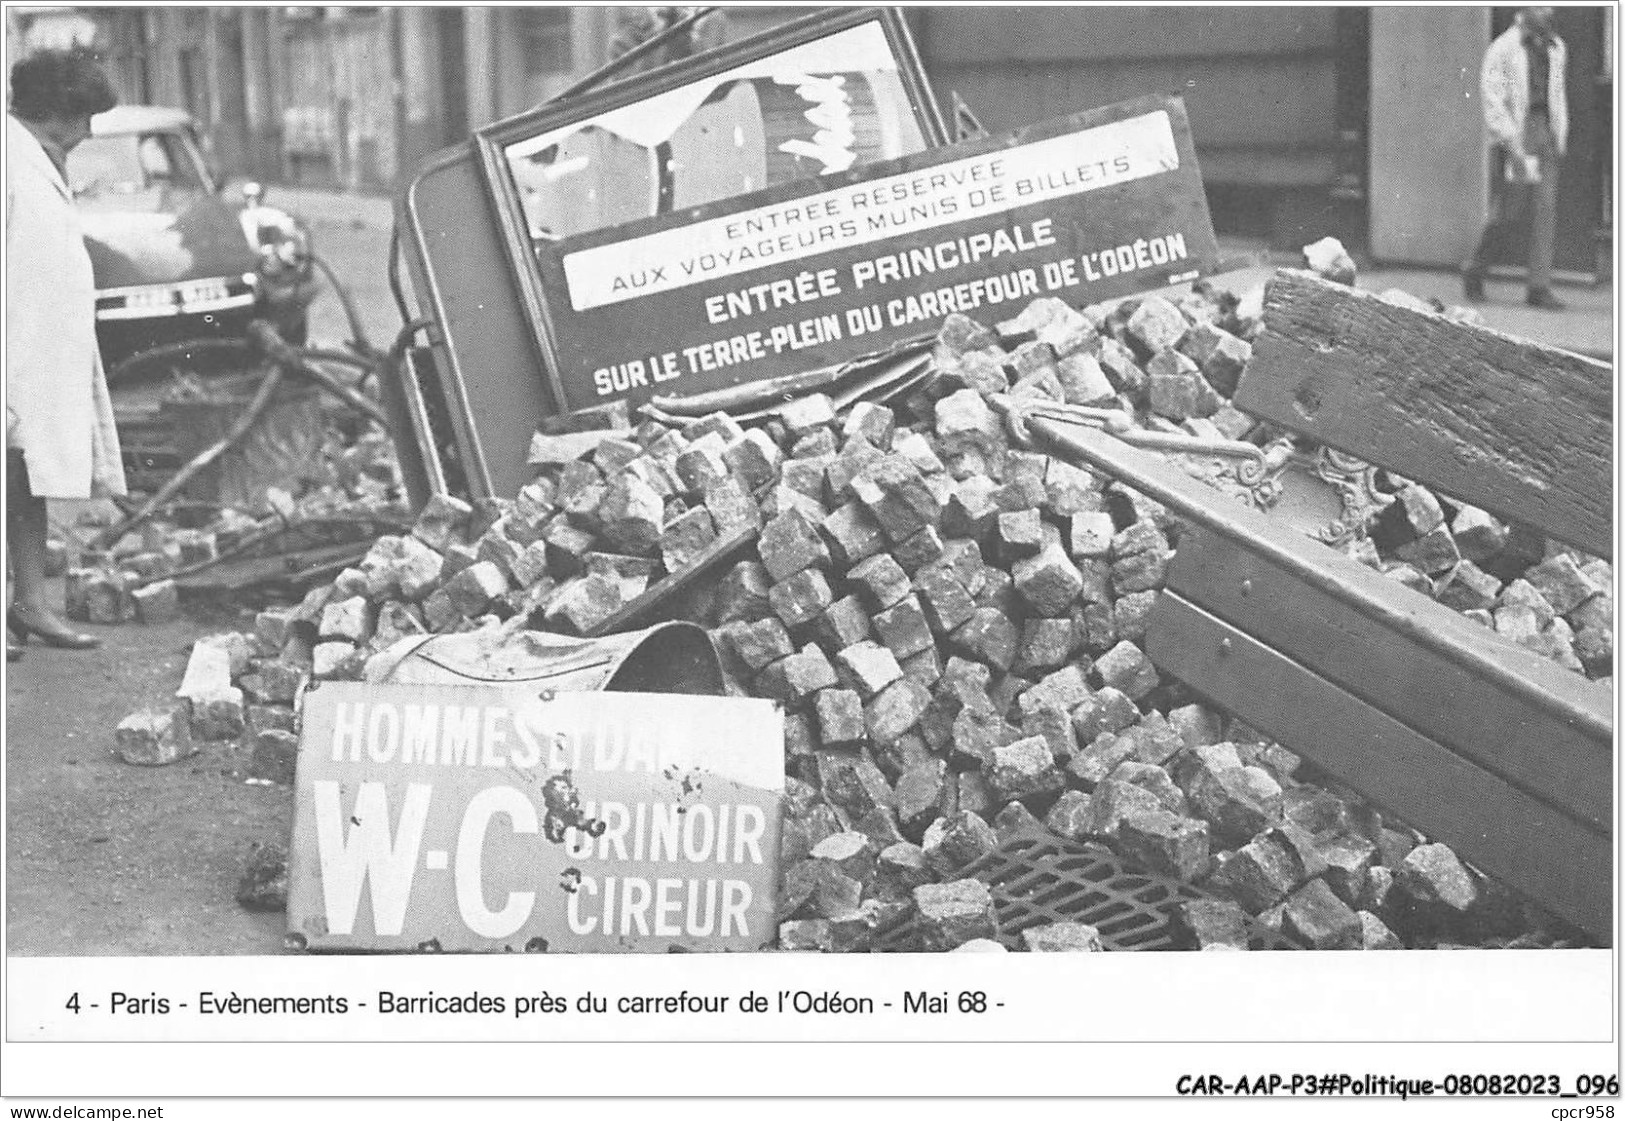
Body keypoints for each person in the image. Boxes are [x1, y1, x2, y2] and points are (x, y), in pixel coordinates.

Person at [6, 49, 123, 660]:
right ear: (55, 112)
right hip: (10, 357)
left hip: (35, 358)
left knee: (27, 484)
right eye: (83, 118)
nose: (88, 133)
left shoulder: (36, 160)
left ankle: (30, 604)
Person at [1461, 7, 1569, 310]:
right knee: (1509, 209)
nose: (1549, 11)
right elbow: (1493, 101)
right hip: (1518, 134)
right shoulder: (1502, 49)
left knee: (1545, 209)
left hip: (1544, 130)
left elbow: (1557, 95)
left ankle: (1538, 287)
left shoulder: (1556, 47)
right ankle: (1475, 268)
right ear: (1524, 10)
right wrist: (1513, 146)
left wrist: (1559, 134)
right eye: (1542, 7)